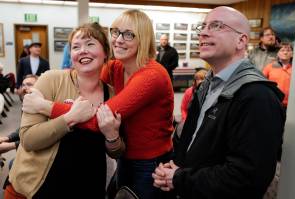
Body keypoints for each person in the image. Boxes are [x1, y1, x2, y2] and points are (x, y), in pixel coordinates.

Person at [20, 9, 174, 199]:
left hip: (150, 161)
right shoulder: (116, 67)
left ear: (143, 38)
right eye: (115, 32)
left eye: (128, 34)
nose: (118, 39)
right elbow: (88, 79)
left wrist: (45, 106)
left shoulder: (152, 75)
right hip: (125, 156)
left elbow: (99, 119)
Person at [152, 6, 285, 199]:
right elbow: (193, 137)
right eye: (203, 26)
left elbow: (247, 177)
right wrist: (174, 168)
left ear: (241, 41)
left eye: (216, 26)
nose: (204, 32)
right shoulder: (207, 84)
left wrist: (179, 178)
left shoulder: (258, 97)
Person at [5, 23, 124, 199]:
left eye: (90, 44)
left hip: (86, 188)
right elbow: (28, 139)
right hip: (34, 189)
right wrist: (69, 118)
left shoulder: (112, 94)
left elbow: (116, 152)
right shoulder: (51, 79)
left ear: (106, 52)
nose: (82, 50)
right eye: (76, 47)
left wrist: (112, 136)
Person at [0, 75, 38, 156]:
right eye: (23, 85)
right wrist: (8, 138)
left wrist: (11, 145)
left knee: (12, 164)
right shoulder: (28, 105)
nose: (24, 88)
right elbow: (24, 128)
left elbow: (38, 137)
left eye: (29, 85)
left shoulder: (41, 108)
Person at [263, 42, 293, 111]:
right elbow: (262, 84)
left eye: (288, 50)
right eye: (282, 50)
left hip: (292, 104)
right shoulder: (269, 67)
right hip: (273, 103)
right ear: (277, 53)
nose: (285, 53)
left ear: (292, 53)